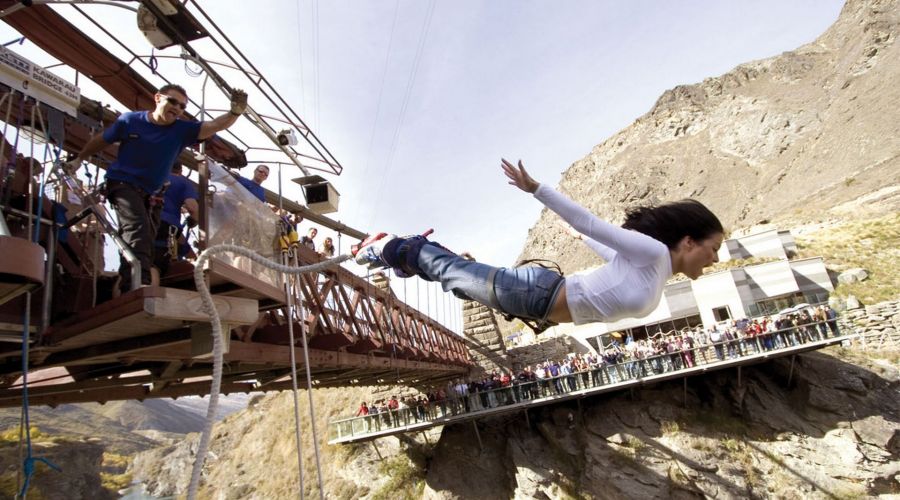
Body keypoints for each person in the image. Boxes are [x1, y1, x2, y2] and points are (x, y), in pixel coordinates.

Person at [354, 159, 724, 331]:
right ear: (689, 241)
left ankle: (406, 257)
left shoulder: (654, 269)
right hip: (537, 295)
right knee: (454, 276)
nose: (716, 258)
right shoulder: (656, 253)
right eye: (714, 248)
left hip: (538, 302)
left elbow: (608, 250)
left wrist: (579, 239)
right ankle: (389, 247)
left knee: (460, 282)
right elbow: (593, 223)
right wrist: (537, 189)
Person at [69, 84, 247, 291]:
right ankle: (139, 286)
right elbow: (102, 140)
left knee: (144, 240)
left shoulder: (181, 130)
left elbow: (214, 125)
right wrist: (80, 158)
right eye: (172, 101)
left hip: (153, 194)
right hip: (123, 183)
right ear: (157, 98)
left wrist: (235, 113)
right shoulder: (130, 121)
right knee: (137, 230)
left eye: (182, 106)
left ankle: (128, 284)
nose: (177, 108)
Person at [153, 162, 199, 277]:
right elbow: (192, 207)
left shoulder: (151, 176)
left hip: (141, 222)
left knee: (132, 266)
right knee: (155, 266)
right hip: (165, 226)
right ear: (180, 171)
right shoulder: (182, 182)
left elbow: (180, 239)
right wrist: (195, 219)